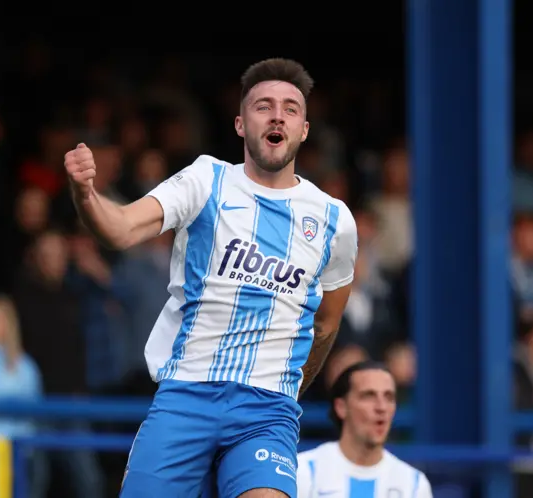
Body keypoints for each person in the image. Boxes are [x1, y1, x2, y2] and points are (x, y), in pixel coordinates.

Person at [64, 58, 358, 498]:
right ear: (241, 124)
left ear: (304, 130)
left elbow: (327, 324)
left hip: (267, 410)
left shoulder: (335, 220)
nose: (277, 115)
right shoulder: (206, 180)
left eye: (290, 108)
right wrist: (85, 194)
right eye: (263, 106)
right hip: (187, 396)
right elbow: (120, 228)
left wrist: (291, 389)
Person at [296, 361, 432, 498]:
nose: (381, 407)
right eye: (368, 396)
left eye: (389, 397)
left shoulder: (413, 485)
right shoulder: (303, 472)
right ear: (341, 407)